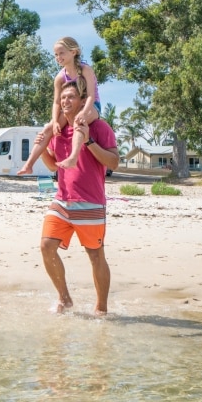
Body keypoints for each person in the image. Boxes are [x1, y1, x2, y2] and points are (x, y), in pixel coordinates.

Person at [37, 80, 119, 315]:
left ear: (83, 102)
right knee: (46, 246)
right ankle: (65, 299)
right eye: (63, 98)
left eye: (71, 97)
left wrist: (89, 142)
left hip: (91, 203)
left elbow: (113, 162)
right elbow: (53, 165)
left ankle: (101, 309)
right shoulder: (58, 131)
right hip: (62, 200)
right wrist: (42, 149)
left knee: (96, 256)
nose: (65, 102)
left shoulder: (100, 128)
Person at [18, 37, 101, 174]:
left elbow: (91, 95)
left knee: (79, 121)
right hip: (70, 107)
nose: (58, 57)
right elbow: (57, 102)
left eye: (61, 53)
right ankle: (29, 164)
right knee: (48, 128)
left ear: (73, 52)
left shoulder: (86, 69)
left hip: (91, 106)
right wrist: (56, 121)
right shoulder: (60, 77)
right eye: (56, 54)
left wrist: (84, 112)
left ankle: (73, 158)